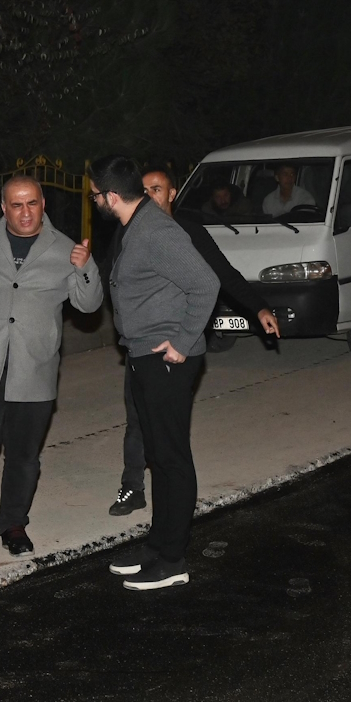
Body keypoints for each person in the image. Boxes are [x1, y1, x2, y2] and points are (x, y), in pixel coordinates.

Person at [0, 175, 103, 560]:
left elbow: (89, 305)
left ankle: (14, 525)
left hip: (34, 371)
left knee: (24, 458)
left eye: (32, 203)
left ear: (43, 204)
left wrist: (86, 266)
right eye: (16, 204)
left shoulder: (65, 248)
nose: (25, 212)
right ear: (3, 207)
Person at [105, 168, 281, 515]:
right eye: (144, 189)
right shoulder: (128, 233)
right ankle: (133, 487)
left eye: (157, 189)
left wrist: (258, 306)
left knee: (168, 430)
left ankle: (171, 509)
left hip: (174, 346)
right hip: (139, 345)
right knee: (137, 418)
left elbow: (222, 275)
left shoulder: (187, 232)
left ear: (172, 194)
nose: (149, 195)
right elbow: (111, 278)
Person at [91, 156, 219, 591]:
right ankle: (158, 544)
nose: (95, 202)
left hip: (167, 358)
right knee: (158, 457)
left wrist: (182, 342)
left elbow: (207, 284)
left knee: (172, 458)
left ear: (111, 196)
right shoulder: (135, 225)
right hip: (144, 354)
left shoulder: (158, 231)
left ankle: (173, 559)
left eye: (96, 195)